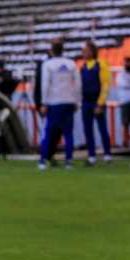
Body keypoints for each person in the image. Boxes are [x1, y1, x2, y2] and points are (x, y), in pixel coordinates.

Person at [37, 39, 81, 171]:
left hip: (54, 102)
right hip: (68, 102)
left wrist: (44, 102)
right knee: (68, 133)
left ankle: (43, 160)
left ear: (51, 50)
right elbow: (78, 84)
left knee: (49, 132)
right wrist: (77, 101)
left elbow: (45, 84)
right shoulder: (71, 64)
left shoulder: (48, 64)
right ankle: (69, 161)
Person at [78, 41, 112, 165]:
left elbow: (106, 85)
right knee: (88, 130)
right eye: (83, 51)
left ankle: (107, 155)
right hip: (85, 102)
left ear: (92, 51)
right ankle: (92, 155)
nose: (84, 53)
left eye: (86, 51)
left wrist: (100, 103)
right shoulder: (83, 67)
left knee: (102, 129)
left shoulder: (101, 64)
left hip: (97, 102)